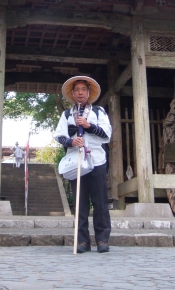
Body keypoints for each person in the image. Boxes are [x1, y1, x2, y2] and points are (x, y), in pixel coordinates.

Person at [54, 76, 112, 253]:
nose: (80, 92)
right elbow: (59, 135)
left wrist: (88, 125)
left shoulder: (99, 111)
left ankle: (102, 240)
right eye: (77, 90)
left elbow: (107, 134)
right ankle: (82, 241)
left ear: (88, 93)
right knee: (80, 203)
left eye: (83, 89)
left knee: (100, 202)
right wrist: (72, 142)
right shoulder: (66, 115)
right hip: (76, 161)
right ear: (73, 93)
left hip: (97, 160)